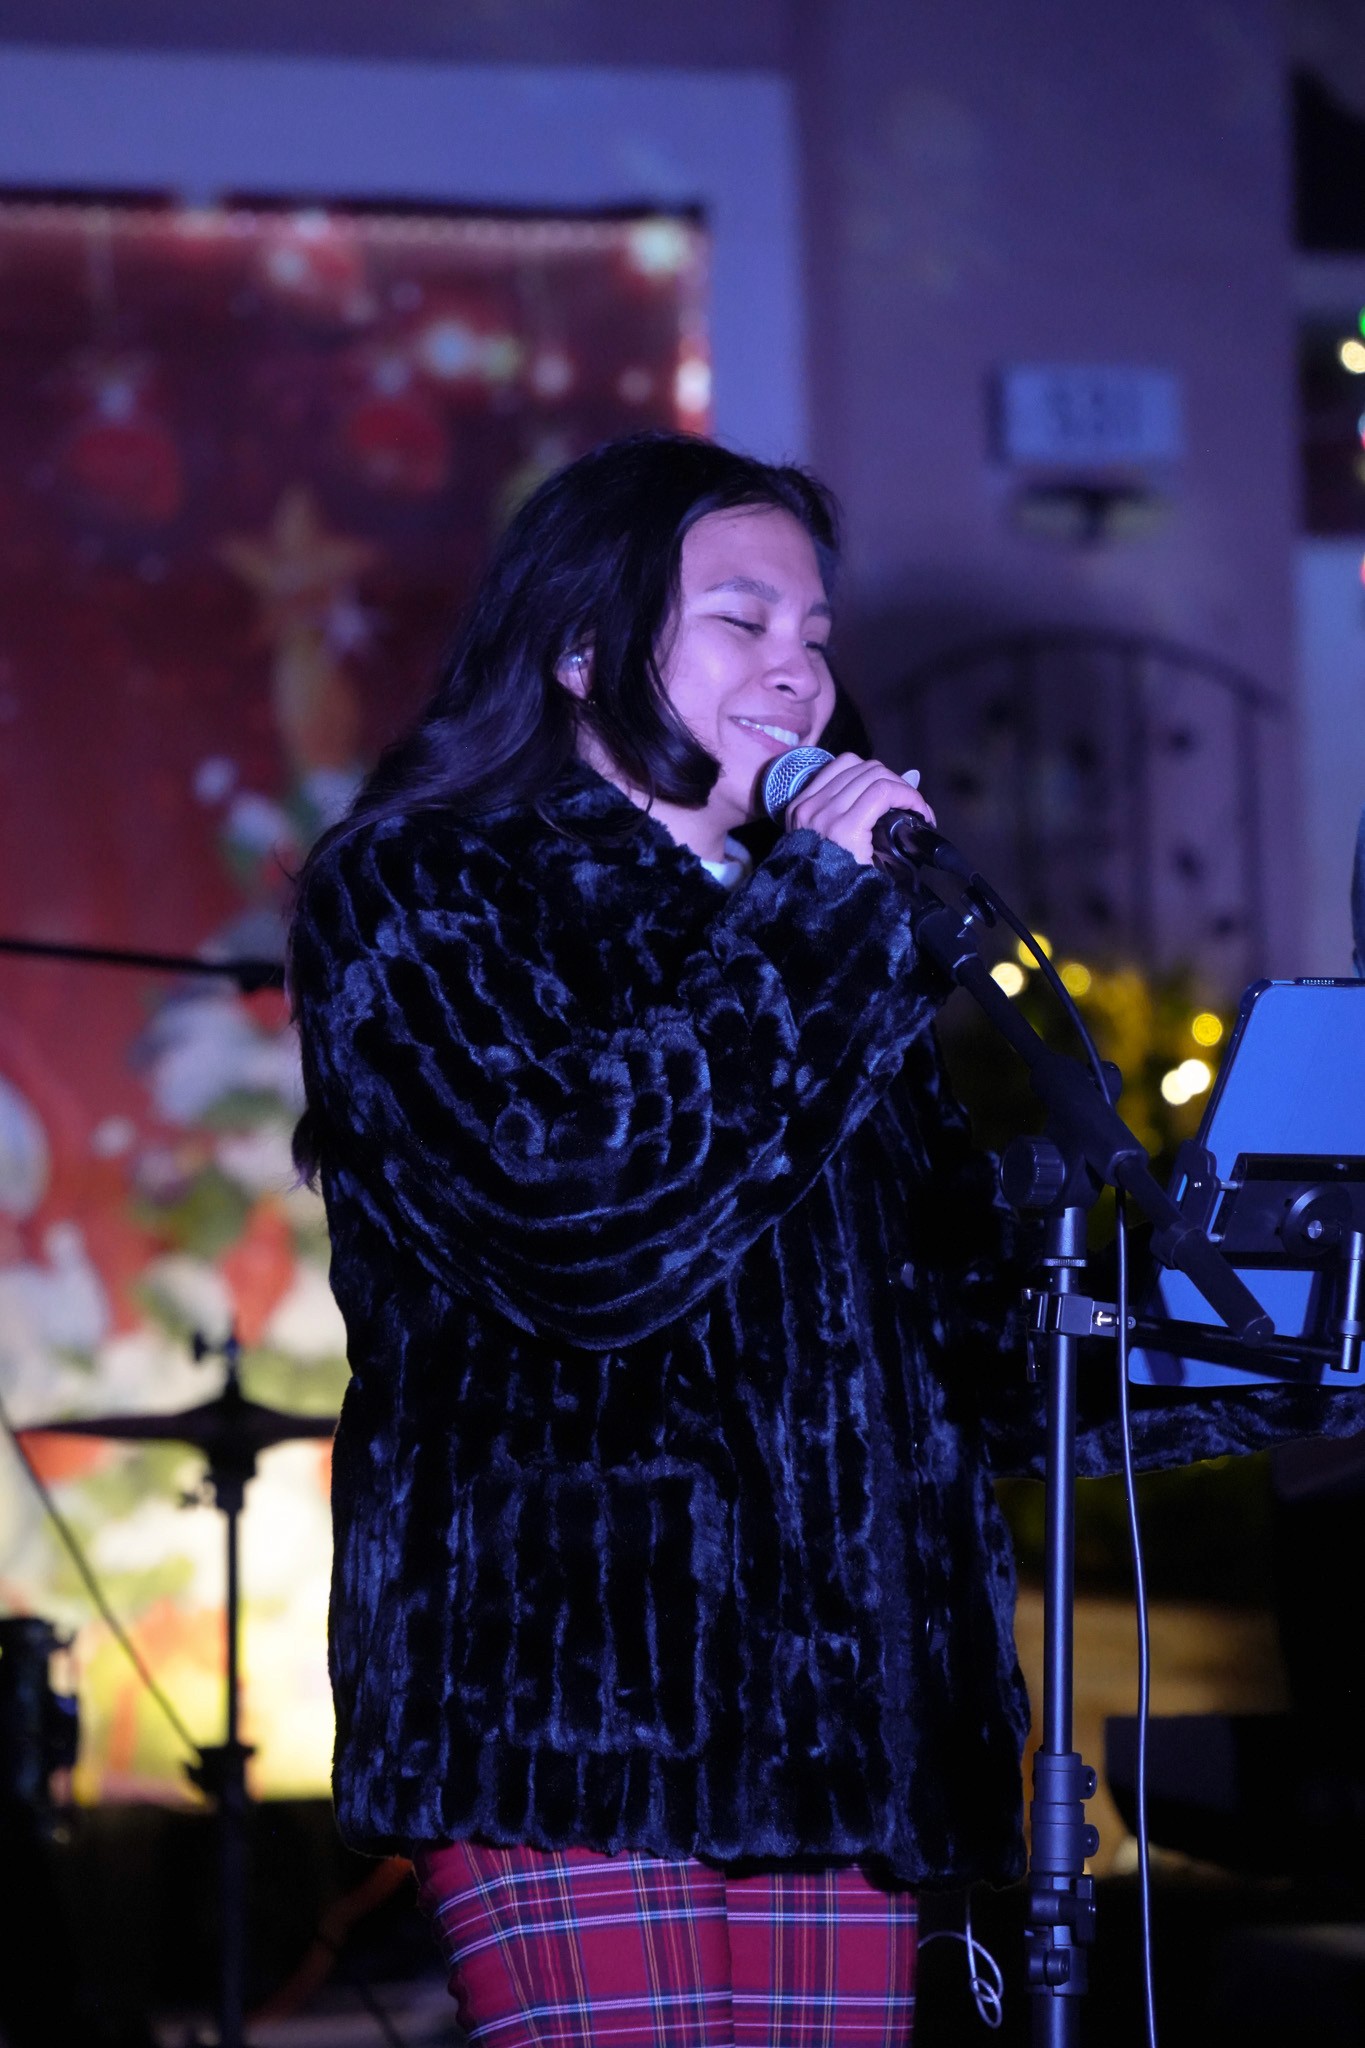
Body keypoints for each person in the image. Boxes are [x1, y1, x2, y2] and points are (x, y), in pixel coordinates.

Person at [288, 433, 1359, 2046]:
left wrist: (1290, 1321)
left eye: (813, 631)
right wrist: (829, 915)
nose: (796, 668)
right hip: (570, 1713)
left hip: (851, 1738)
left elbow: (979, 1356)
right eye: (740, 621)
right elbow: (583, 1227)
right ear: (578, 644)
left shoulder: (826, 940)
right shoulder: (425, 890)